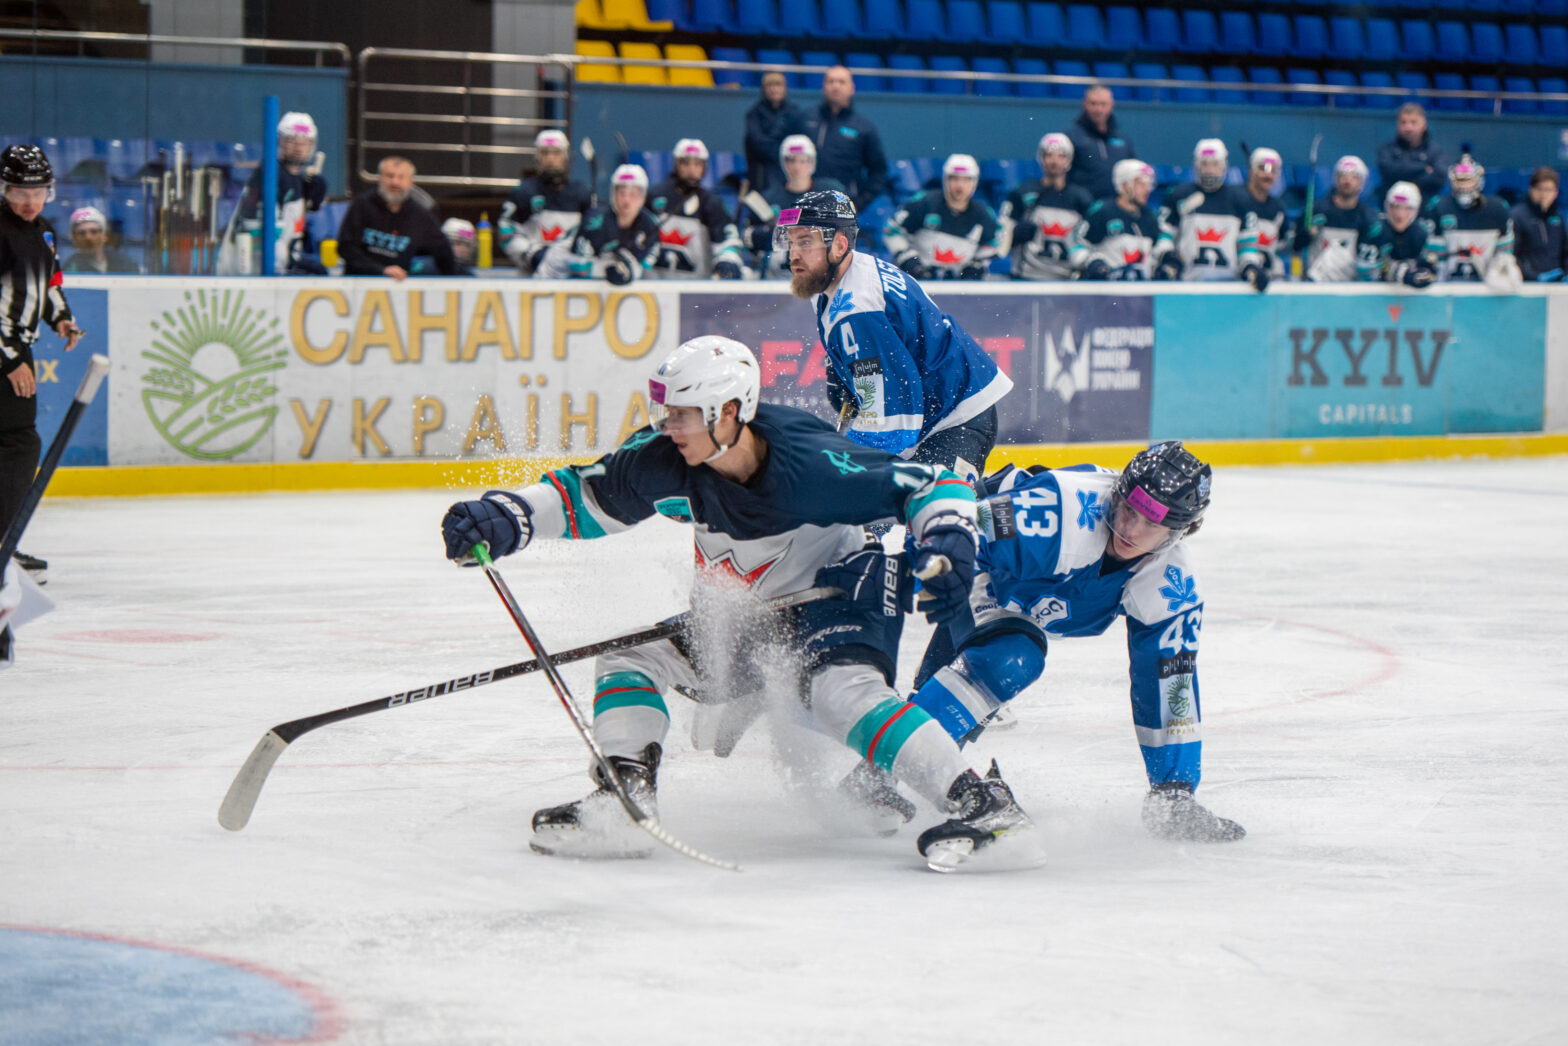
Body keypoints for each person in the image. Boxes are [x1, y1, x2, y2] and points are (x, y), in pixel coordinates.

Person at [438, 336, 1043, 873]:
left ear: (728, 412)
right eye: (666, 411)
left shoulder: (809, 463)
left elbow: (928, 483)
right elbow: (587, 495)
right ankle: (624, 799)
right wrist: (510, 516)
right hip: (748, 612)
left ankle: (985, 804)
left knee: (840, 696)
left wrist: (947, 543)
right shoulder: (667, 457)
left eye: (681, 414)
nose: (667, 426)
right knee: (632, 660)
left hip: (840, 591)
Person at [900, 442, 1245, 844]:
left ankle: (902, 746)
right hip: (985, 573)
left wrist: (1175, 792)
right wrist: (942, 569)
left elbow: (1171, 685)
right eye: (1129, 510)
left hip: (1021, 602)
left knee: (982, 683)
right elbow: (957, 526)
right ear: (1117, 493)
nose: (1131, 530)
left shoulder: (1172, 585)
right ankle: (886, 759)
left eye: (1151, 524)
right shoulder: (1060, 510)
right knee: (1011, 660)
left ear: (1180, 532)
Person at [774, 189, 1013, 481]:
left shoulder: (859, 308)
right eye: (791, 241)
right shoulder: (840, 277)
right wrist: (845, 372)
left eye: (805, 242)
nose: (793, 254)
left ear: (839, 245)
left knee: (934, 515)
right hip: (934, 410)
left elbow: (891, 426)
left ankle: (1017, 490)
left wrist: (842, 468)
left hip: (958, 418)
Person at [1, 145, 83, 585]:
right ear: (3, 188)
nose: (29, 201)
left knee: (14, 444)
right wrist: (10, 357)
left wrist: (62, 318)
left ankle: (4, 545)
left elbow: (50, 284)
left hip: (15, 352)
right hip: (5, 354)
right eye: (19, 191)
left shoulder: (44, 232)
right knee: (18, 444)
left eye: (38, 192)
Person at [737, 135, 844, 279]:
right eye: (791, 160)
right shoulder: (768, 198)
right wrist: (769, 236)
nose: (797, 166)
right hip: (778, 274)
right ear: (784, 163)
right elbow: (748, 237)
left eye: (803, 160)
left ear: (811, 162)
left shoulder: (828, 194)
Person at [535, 164, 662, 284]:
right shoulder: (594, 222)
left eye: (633, 194)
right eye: (622, 193)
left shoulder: (651, 226)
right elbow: (579, 266)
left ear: (643, 197)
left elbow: (642, 266)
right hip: (554, 272)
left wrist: (628, 271)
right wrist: (604, 269)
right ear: (613, 194)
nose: (626, 200)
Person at [337, 156, 460, 280]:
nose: (395, 182)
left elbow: (443, 252)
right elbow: (346, 248)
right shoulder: (362, 205)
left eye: (401, 177)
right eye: (390, 176)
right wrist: (381, 270)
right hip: (358, 283)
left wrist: (452, 283)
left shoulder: (421, 215)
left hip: (399, 288)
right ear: (380, 178)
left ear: (411, 182)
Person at [236, 110, 328, 274]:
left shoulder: (298, 178)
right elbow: (259, 231)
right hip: (262, 267)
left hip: (286, 260)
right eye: (291, 141)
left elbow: (296, 228)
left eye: (305, 142)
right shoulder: (270, 175)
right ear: (280, 142)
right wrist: (286, 265)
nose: (299, 148)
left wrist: (312, 203)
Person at [882, 154, 999, 281]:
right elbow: (891, 231)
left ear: (974, 183)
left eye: (966, 180)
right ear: (945, 180)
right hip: (918, 281)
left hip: (960, 287)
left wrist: (977, 264)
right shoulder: (923, 203)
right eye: (954, 179)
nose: (960, 186)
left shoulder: (983, 214)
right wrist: (909, 260)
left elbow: (992, 244)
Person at [997, 133, 1094, 282]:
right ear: (1041, 157)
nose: (1054, 161)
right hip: (1027, 277)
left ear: (1069, 160)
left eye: (1061, 156)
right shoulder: (1023, 192)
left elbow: (1090, 241)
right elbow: (1000, 238)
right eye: (1049, 155)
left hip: (1065, 280)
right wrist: (1014, 234)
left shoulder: (1081, 198)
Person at [790, 65, 889, 210]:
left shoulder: (863, 127)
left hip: (842, 206)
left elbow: (879, 171)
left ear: (852, 88)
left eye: (842, 82)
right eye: (831, 81)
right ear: (823, 86)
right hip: (805, 203)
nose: (835, 86)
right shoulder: (804, 120)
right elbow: (786, 156)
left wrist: (858, 203)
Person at [646, 138, 746, 279]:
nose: (691, 170)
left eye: (697, 164)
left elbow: (728, 241)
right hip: (654, 286)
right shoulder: (654, 198)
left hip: (697, 288)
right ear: (676, 165)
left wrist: (727, 260)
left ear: (704, 167)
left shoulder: (712, 203)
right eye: (686, 163)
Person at [498, 129, 594, 275]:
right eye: (545, 153)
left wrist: (579, 258)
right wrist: (531, 254)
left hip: (570, 277)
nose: (550, 159)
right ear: (537, 158)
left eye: (556, 153)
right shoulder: (523, 192)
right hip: (532, 276)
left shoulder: (581, 193)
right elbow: (506, 232)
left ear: (565, 156)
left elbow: (593, 232)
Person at [1153, 139, 1246, 283]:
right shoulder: (1178, 195)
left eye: (1215, 164)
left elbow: (1247, 245)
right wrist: (1169, 257)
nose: (1209, 170)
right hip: (1188, 282)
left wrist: (1249, 266)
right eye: (1204, 164)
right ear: (1196, 166)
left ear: (1224, 167)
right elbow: (1163, 236)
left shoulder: (1239, 199)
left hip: (1229, 286)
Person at [1423, 152, 1515, 284]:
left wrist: (1496, 279)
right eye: (1460, 180)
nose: (1464, 186)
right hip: (1449, 286)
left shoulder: (1498, 209)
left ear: (1479, 180)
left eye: (1468, 180)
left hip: (1488, 288)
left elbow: (1504, 256)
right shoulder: (1439, 207)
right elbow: (1434, 257)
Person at [1070, 158, 1159, 281]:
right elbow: (1076, 245)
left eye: (1148, 183)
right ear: (1124, 185)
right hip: (1106, 293)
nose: (1147, 189)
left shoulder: (1149, 217)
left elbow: (1155, 250)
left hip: (1141, 294)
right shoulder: (1103, 212)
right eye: (1141, 183)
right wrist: (1093, 262)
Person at [1298, 156, 1379, 283]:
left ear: (1362, 183)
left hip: (1350, 286)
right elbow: (1296, 246)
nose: (1347, 181)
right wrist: (1305, 234)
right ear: (1335, 179)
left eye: (1354, 177)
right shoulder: (1315, 210)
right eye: (1343, 175)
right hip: (1315, 285)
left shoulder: (1368, 217)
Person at [1355, 182, 1437, 287]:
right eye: (1395, 207)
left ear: (1416, 211)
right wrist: (1401, 273)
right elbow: (1365, 272)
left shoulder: (1420, 233)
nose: (1399, 214)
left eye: (1407, 208)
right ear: (1387, 207)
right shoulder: (1375, 231)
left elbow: (1432, 268)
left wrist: (1426, 273)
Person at [1063, 84, 1136, 202]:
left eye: (1103, 104)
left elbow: (1133, 175)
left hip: (1115, 210)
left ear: (1112, 105)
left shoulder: (1124, 141)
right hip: (1081, 207)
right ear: (1084, 104)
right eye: (1093, 104)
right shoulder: (1070, 137)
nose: (1098, 109)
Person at [1236, 147, 1289, 291]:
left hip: (1266, 284)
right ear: (1251, 171)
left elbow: (1281, 248)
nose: (1268, 175)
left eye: (1273, 170)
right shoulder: (1235, 200)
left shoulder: (1278, 209)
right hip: (1237, 284)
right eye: (1262, 169)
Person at [743, 71, 800, 195]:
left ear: (784, 88)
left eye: (778, 85)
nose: (774, 89)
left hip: (789, 175)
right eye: (770, 85)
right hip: (761, 177)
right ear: (764, 89)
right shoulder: (753, 114)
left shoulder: (794, 112)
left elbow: (797, 143)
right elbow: (759, 145)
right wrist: (783, 146)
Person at [1377, 103, 1446, 202]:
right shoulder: (1387, 149)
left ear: (1424, 125)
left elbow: (1439, 179)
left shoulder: (1435, 151)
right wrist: (1423, 168)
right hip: (1393, 206)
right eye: (1403, 122)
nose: (1408, 127)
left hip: (1426, 205)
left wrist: (1403, 176)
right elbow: (1387, 172)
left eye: (1413, 122)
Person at [1508, 167, 1566, 283]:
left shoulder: (1558, 217)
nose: (1544, 194)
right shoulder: (1517, 216)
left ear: (1556, 193)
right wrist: (1534, 277)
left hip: (1556, 285)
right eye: (1539, 189)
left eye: (1549, 190)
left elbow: (1565, 252)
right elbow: (1511, 255)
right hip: (1527, 285)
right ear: (1531, 189)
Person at [61, 206, 139, 274]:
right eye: (82, 233)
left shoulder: (124, 263)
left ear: (105, 235)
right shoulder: (69, 268)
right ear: (74, 238)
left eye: (94, 232)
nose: (88, 237)